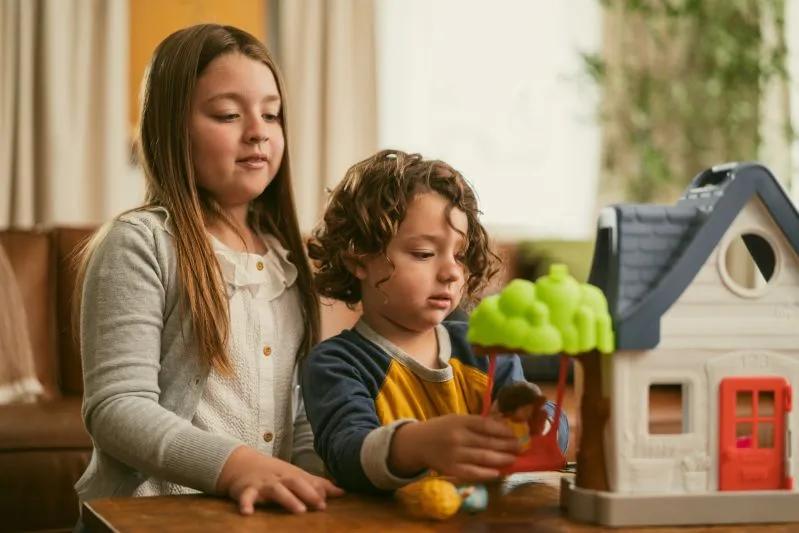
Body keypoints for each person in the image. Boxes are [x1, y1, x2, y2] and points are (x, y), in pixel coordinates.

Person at [73, 24, 342, 518]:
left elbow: (300, 409)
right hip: (151, 515)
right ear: (171, 127)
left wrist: (317, 476)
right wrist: (236, 465)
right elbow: (116, 409)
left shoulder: (288, 258)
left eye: (271, 114)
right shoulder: (140, 243)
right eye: (228, 114)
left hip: (252, 515)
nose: (258, 130)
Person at [302, 150, 568, 493]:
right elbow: (346, 456)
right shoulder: (336, 363)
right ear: (360, 259)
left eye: (459, 255)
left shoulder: (480, 347)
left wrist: (535, 423)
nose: (452, 272)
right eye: (424, 254)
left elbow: (550, 427)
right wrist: (417, 444)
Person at [493, 382, 548, 451]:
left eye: (530, 410)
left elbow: (525, 439)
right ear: (510, 411)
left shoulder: (524, 424)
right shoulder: (505, 424)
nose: (529, 414)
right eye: (526, 410)